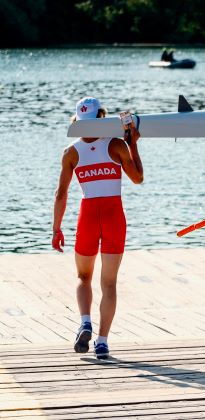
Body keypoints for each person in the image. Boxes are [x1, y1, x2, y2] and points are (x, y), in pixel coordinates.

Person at [51, 97, 144, 359]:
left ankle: (85, 322)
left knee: (83, 278)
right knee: (109, 283)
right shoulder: (116, 145)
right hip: (114, 215)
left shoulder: (71, 152)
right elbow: (138, 178)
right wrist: (132, 144)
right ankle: (102, 342)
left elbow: (61, 194)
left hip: (88, 215)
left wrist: (56, 229)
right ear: (102, 117)